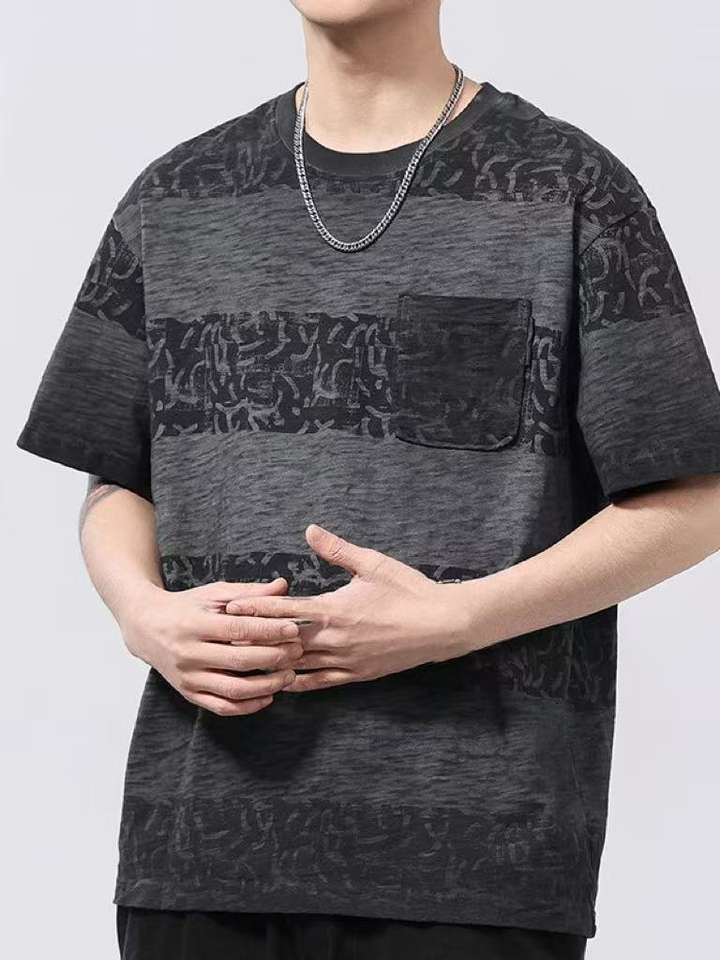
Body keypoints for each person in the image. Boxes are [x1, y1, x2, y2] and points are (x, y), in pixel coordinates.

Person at [16, 0, 720, 957]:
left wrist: (461, 618)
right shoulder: (175, 195)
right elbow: (117, 478)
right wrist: (140, 612)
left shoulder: (569, 187)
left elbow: (693, 498)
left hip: (476, 865)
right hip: (198, 843)